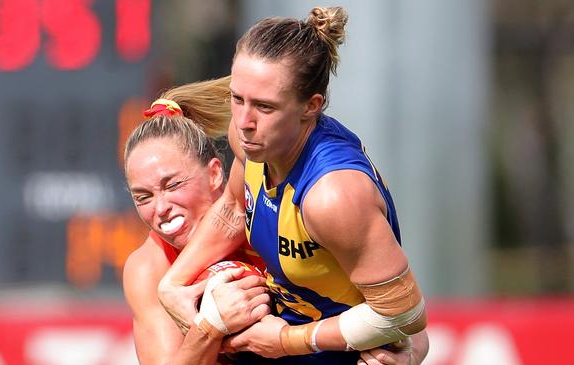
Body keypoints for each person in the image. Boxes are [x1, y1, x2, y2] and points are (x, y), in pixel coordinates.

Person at [157, 6, 429, 365]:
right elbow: (234, 208)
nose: (243, 121)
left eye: (265, 107)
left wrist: (287, 340)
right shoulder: (249, 142)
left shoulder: (332, 196)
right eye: (237, 99)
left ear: (311, 107)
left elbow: (404, 316)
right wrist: (172, 285)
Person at [122, 77, 271, 365]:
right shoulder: (148, 268)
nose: (161, 208)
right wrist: (211, 326)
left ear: (215, 174)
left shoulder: (267, 212)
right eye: (143, 197)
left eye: (172, 185)